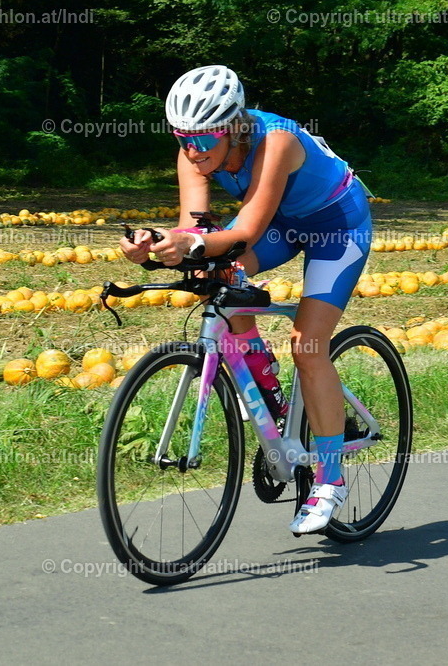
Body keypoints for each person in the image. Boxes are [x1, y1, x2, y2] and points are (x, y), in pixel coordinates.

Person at [119, 65, 372, 535]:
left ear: (234, 127)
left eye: (203, 139)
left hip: (337, 226)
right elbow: (195, 227)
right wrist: (156, 241)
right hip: (283, 222)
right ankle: (271, 395)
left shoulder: (275, 141)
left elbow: (246, 231)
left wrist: (191, 244)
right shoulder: (192, 151)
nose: (192, 151)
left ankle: (330, 478)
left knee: (308, 344)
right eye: (181, 138)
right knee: (213, 277)